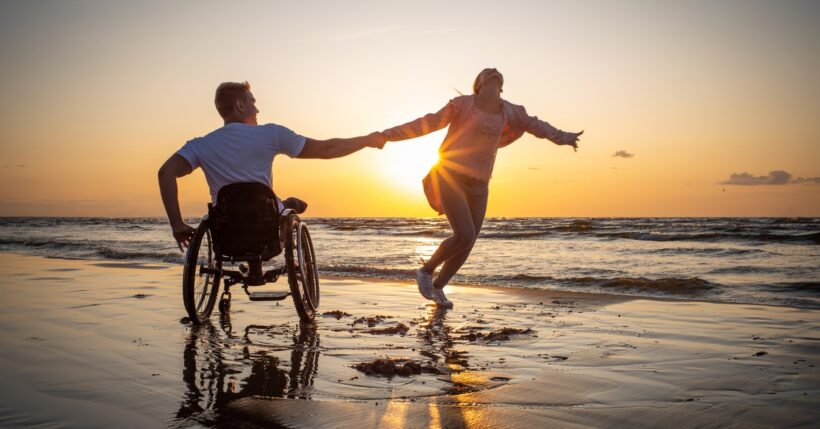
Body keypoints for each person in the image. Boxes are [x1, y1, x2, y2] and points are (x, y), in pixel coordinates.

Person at [380, 68, 583, 308]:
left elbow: (537, 126)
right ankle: (426, 270)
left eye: (497, 72)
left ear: (501, 85)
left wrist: (564, 137)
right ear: (479, 84)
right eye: (488, 72)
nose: (494, 71)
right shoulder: (462, 105)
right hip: (450, 175)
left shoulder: (512, 112)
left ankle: (438, 287)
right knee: (464, 233)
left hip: (480, 185)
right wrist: (388, 135)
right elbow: (428, 123)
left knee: (469, 240)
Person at [158, 81, 385, 250]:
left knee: (259, 204)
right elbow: (327, 150)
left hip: (227, 229)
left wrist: (177, 224)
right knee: (283, 206)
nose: (257, 110)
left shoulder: (201, 145)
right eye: (253, 102)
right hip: (265, 223)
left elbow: (165, 172)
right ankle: (289, 205)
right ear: (240, 105)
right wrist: (367, 140)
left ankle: (288, 204)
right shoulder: (271, 134)